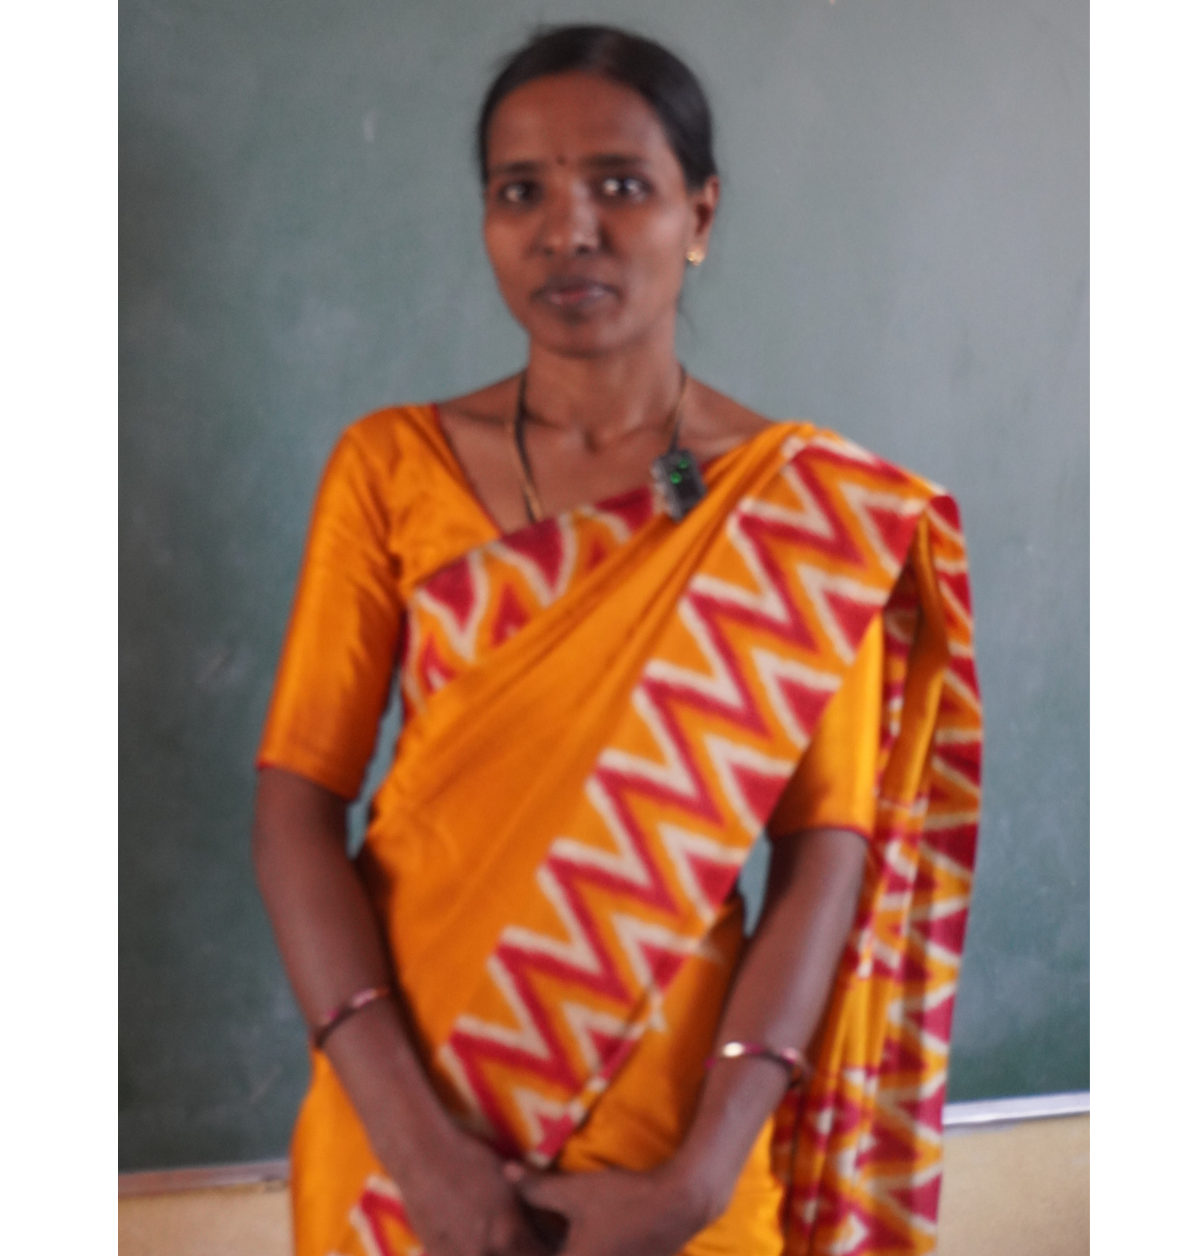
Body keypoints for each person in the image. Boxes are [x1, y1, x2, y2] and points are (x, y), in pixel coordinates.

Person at [253, 24, 982, 1256]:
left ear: (701, 213)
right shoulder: (389, 467)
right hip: (405, 1140)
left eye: (620, 185)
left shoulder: (800, 512)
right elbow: (294, 803)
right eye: (520, 191)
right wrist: (419, 1150)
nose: (567, 229)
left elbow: (824, 852)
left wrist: (698, 1178)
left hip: (679, 1147)